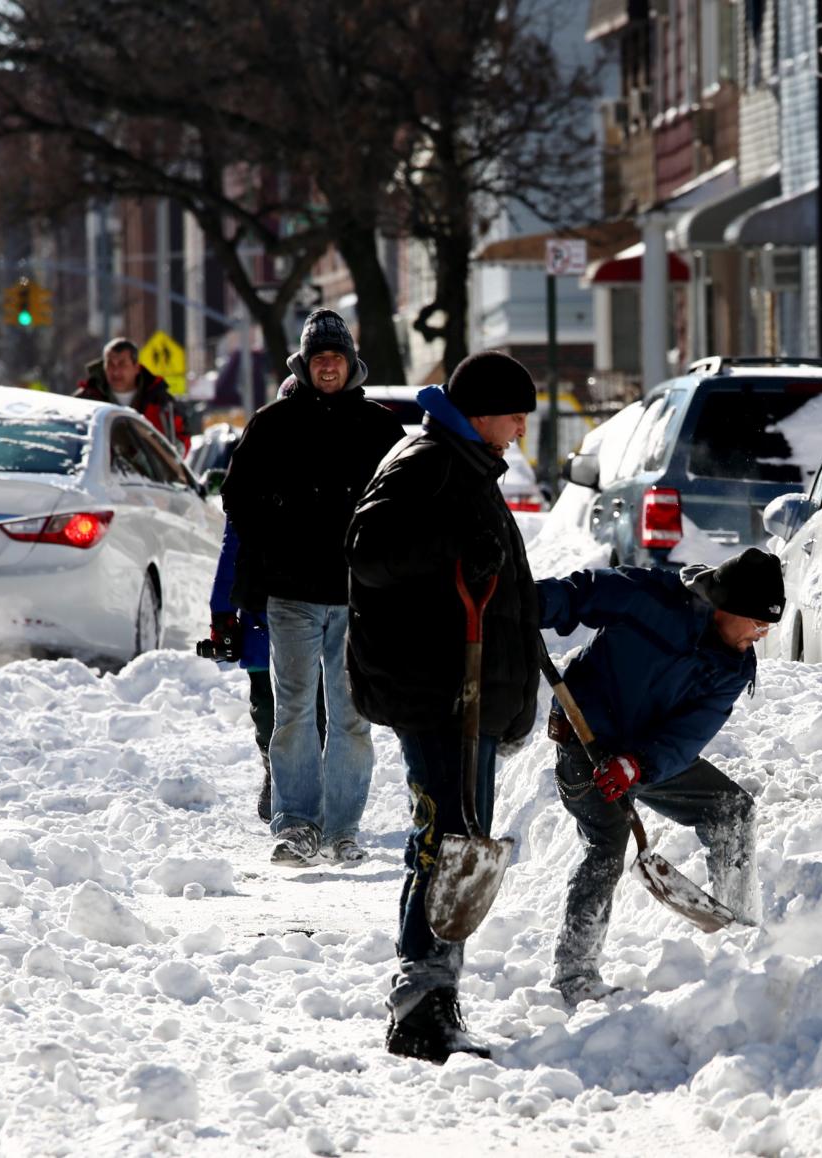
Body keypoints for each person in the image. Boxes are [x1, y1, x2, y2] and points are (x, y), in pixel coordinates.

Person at [347, 350, 542, 1063]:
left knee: (461, 843)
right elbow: (367, 551)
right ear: (481, 410)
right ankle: (418, 1006)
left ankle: (438, 996)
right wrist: (453, 548)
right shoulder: (424, 460)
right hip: (433, 689)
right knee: (444, 842)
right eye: (514, 412)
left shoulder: (465, 462)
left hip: (464, 694)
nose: (521, 427)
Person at [535, 549, 772, 1006]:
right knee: (607, 843)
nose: (761, 635)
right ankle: (575, 972)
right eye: (758, 622)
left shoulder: (734, 666)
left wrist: (639, 765)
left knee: (732, 811)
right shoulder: (653, 597)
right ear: (728, 606)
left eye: (768, 627)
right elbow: (581, 593)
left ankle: (738, 933)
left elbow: (688, 734)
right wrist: (534, 604)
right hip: (586, 742)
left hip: (641, 754)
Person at [221, 310, 403, 866]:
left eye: (336, 358)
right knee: (294, 710)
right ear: (304, 364)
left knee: (352, 716)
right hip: (292, 594)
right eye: (319, 358)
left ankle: (344, 828)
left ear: (351, 365)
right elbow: (237, 497)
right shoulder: (272, 423)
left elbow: (406, 503)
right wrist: (275, 531)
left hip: (359, 597)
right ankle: (296, 824)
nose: (328, 366)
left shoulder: (378, 427)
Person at [200, 512, 324, 823]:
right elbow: (234, 542)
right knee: (274, 701)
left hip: (306, 597)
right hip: (267, 603)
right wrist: (222, 614)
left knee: (306, 698)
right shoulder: (254, 473)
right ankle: (277, 770)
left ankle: (302, 775)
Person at [75, 338, 188, 449]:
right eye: (110, 364)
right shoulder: (85, 400)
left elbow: (181, 439)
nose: (116, 371)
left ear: (136, 367)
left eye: (122, 364)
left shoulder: (161, 401)